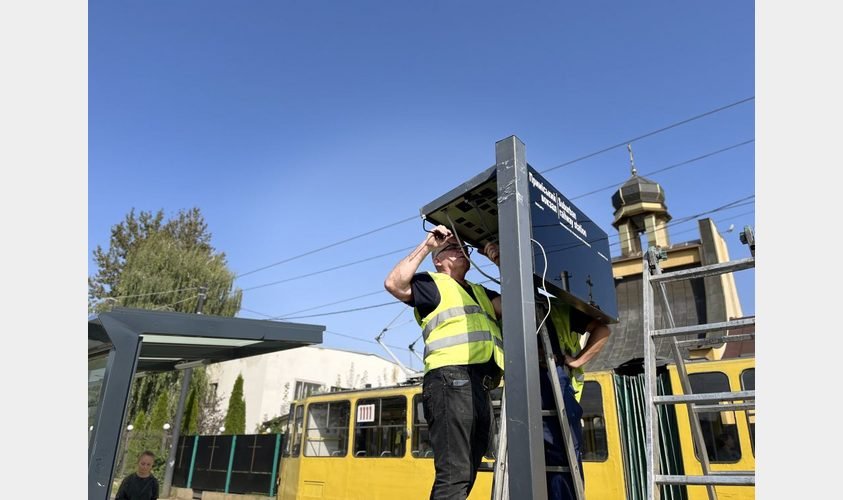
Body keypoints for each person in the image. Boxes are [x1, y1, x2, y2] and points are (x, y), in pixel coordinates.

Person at [484, 242, 610, 500]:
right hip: (525, 382)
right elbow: (513, 295)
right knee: (528, 460)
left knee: (560, 457)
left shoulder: (560, 307)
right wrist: (500, 261)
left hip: (555, 384)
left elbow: (603, 329)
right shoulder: (507, 304)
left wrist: (576, 361)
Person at [384, 225, 503, 500]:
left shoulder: (480, 292)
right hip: (451, 380)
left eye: (465, 248)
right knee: (455, 474)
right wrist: (427, 245)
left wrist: (499, 261)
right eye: (452, 247)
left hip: (480, 387)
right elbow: (394, 284)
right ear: (438, 260)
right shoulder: (431, 283)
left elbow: (518, 305)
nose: (462, 250)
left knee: (468, 470)